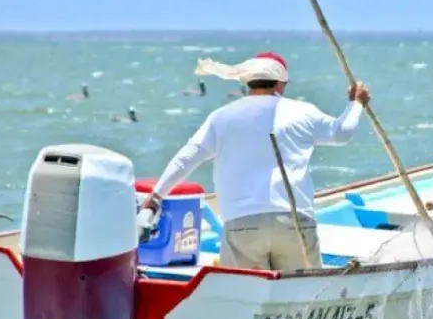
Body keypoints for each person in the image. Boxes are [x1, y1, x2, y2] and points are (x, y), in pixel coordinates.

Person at [140, 52, 370, 271]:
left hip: (243, 224)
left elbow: (186, 158)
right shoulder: (303, 111)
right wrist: (356, 103)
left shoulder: (222, 116)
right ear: (281, 84)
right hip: (294, 222)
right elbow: (342, 133)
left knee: (243, 292)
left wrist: (156, 197)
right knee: (304, 295)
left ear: (247, 82)